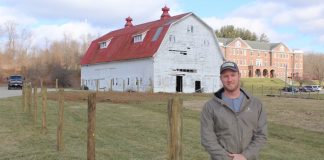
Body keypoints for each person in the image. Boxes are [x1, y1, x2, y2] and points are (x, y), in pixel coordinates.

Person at [200, 61, 267, 160]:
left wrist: (245, 156)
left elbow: (261, 135)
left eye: (233, 75)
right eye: (225, 76)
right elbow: (207, 139)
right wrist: (228, 158)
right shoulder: (210, 107)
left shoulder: (256, 104)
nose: (229, 79)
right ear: (220, 79)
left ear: (239, 76)